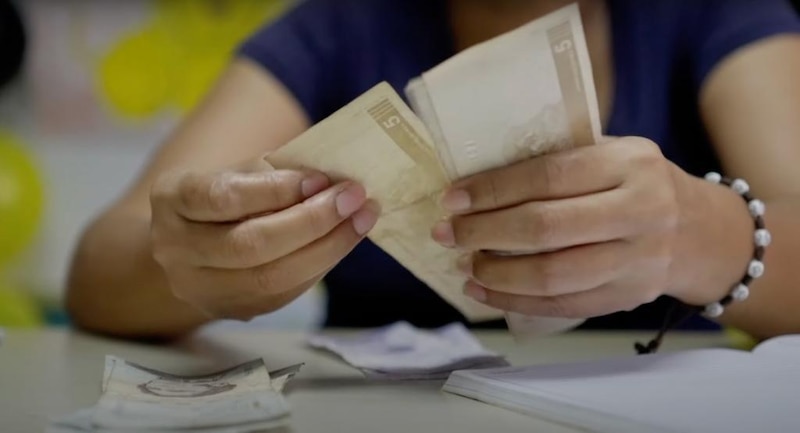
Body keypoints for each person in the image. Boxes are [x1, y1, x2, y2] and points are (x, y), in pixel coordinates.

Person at [66, 0, 800, 342]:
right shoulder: (335, 29)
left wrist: (709, 235)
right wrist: (199, 260)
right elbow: (100, 271)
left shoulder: (713, 15)